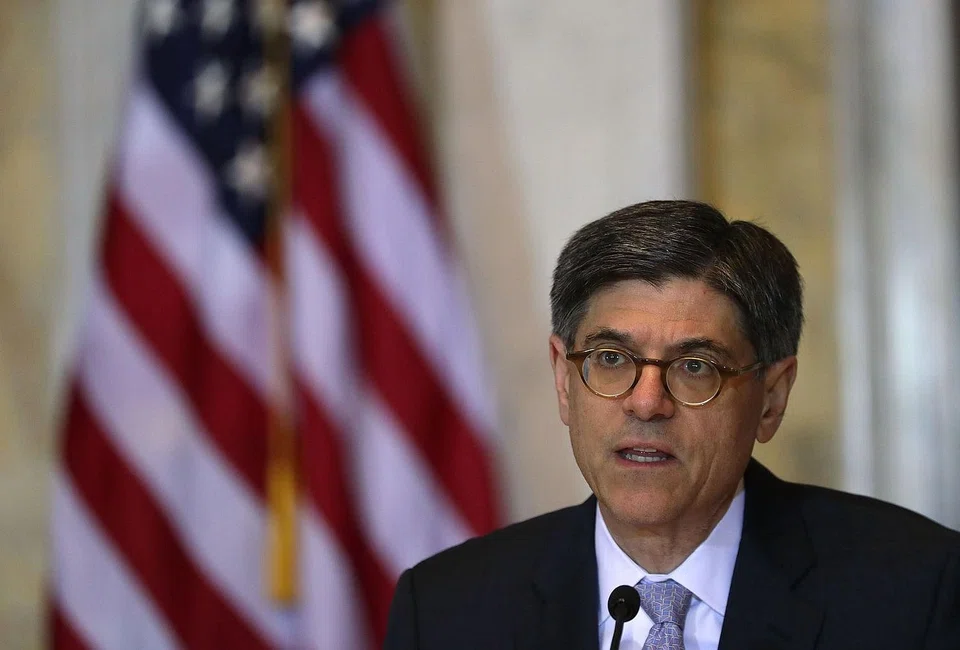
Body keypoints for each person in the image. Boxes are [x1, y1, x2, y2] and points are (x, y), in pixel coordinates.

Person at [383, 200, 960, 650]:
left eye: (695, 366)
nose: (646, 402)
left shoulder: (917, 593)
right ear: (563, 379)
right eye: (611, 358)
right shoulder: (444, 612)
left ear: (772, 397)